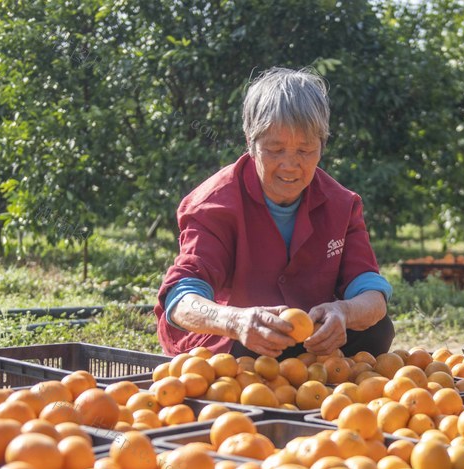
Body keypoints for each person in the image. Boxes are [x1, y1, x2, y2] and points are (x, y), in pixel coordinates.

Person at [154, 67, 394, 359]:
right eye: (275, 149)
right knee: (245, 353)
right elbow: (180, 299)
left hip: (308, 343)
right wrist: (236, 320)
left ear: (323, 145)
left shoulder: (340, 205)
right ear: (251, 143)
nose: (290, 165)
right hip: (237, 344)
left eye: (304, 151)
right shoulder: (214, 205)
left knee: (377, 329)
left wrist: (343, 312)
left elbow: (373, 296)